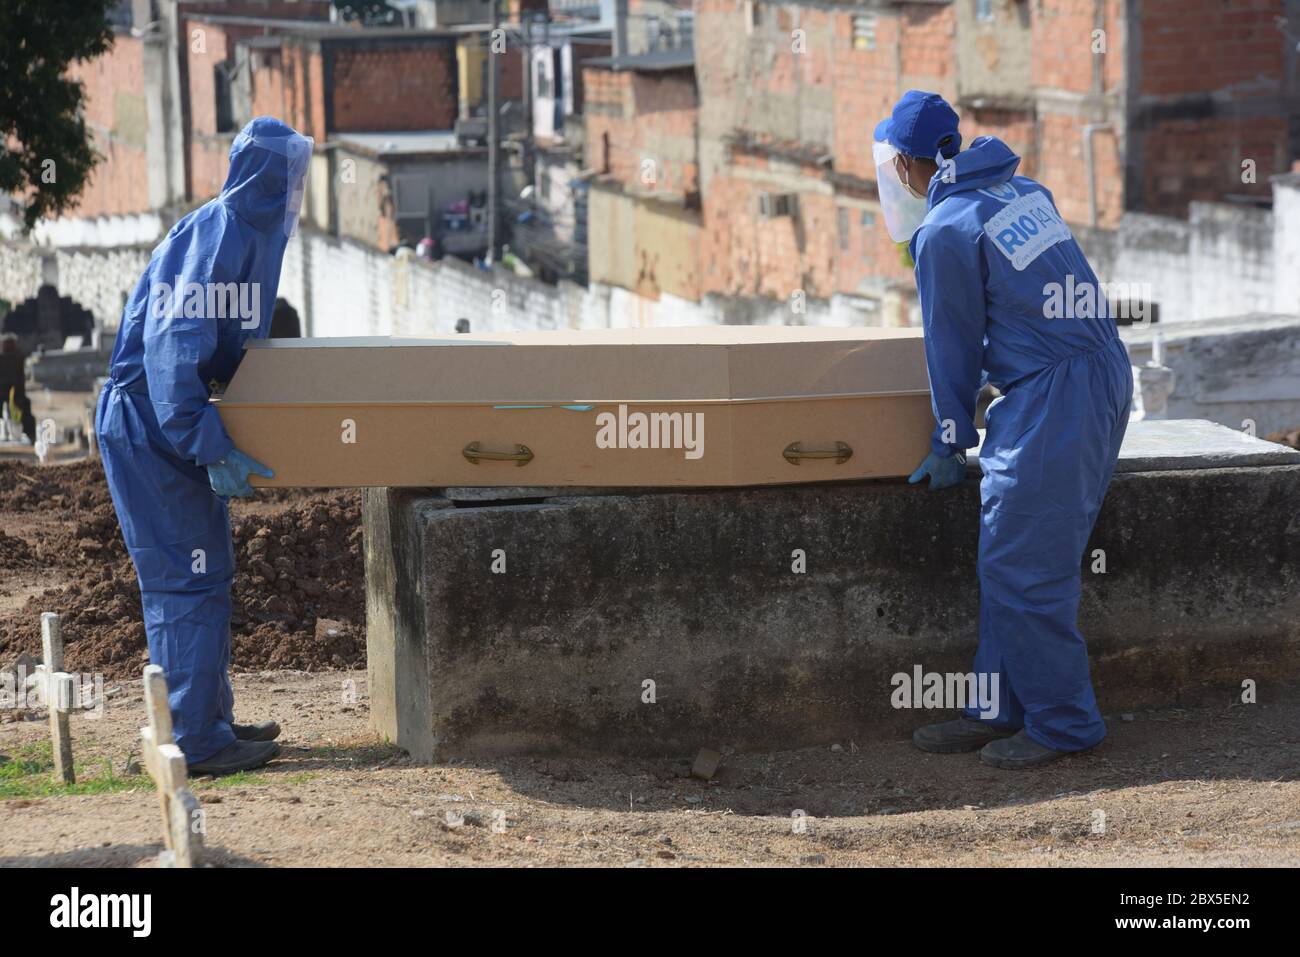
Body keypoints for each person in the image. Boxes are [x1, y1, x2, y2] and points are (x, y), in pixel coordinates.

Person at [873, 91, 1133, 769]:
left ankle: (1065, 723)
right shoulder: (1022, 191)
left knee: (1023, 566)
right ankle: (996, 707)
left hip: (1054, 395)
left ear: (906, 166)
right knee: (1007, 556)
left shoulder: (945, 231)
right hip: (1096, 370)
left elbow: (952, 346)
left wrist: (949, 438)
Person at [96, 117, 313, 776]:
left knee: (205, 574)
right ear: (266, 175)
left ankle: (205, 719)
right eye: (286, 175)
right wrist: (207, 442)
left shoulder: (245, 236)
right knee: (184, 581)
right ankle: (193, 739)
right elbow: (172, 351)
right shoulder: (217, 233)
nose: (292, 188)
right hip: (152, 427)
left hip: (170, 426)